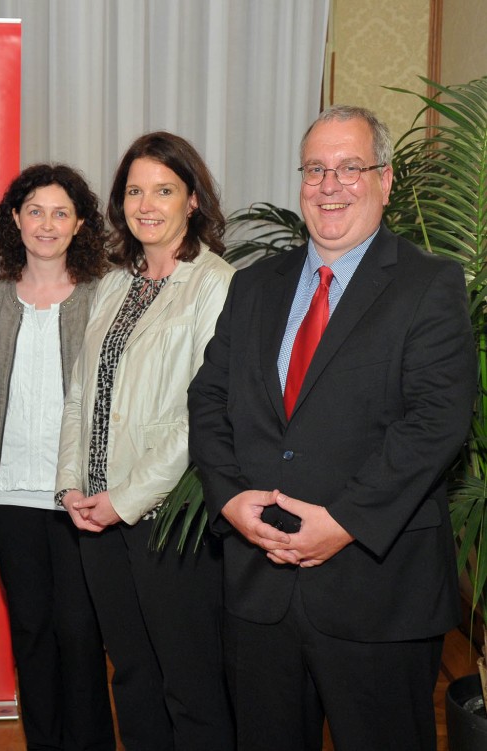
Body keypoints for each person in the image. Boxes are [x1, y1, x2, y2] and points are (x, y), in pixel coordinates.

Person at [188, 106, 477, 750]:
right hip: (259, 588)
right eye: (316, 169)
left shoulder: (429, 285)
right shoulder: (254, 285)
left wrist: (343, 522)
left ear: (385, 179)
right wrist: (231, 498)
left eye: (350, 167)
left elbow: (438, 419)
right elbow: (208, 397)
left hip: (378, 590)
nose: (330, 184)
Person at [56, 132, 236, 749]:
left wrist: (125, 499)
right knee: (131, 674)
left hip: (167, 516)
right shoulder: (113, 283)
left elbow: (202, 414)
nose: (146, 203)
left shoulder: (216, 284)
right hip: (98, 514)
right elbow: (80, 393)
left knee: (190, 683)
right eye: (135, 190)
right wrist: (72, 485)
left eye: (163, 189)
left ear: (192, 199)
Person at [0, 163, 115, 751]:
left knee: (80, 633)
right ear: (15, 219)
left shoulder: (104, 293)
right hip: (5, 492)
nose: (47, 224)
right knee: (31, 631)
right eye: (35, 211)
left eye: (61, 213)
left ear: (80, 223)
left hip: (76, 491)